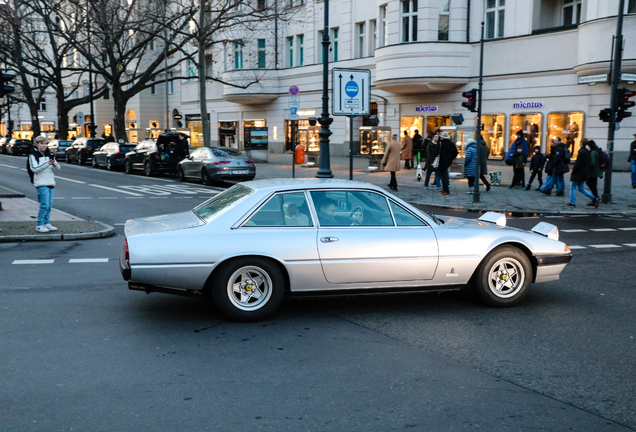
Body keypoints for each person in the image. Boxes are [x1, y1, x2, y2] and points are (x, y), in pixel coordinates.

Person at [29, 136, 61, 233]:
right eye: (42, 143)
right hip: (41, 183)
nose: (44, 145)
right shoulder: (33, 155)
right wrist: (47, 164)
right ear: (37, 144)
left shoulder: (50, 154)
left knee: (49, 205)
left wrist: (55, 164)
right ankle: (39, 224)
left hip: (50, 182)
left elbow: (58, 168)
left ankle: (47, 223)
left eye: (45, 143)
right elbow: (34, 168)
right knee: (44, 205)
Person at [568, 140, 597, 207]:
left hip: (578, 172)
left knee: (573, 186)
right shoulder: (587, 152)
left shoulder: (581, 152)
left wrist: (574, 171)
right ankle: (594, 198)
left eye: (580, 142)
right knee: (581, 188)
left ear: (581, 143)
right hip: (584, 172)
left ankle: (572, 202)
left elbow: (578, 163)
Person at [438, 131, 458, 196]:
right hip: (448, 162)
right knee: (444, 175)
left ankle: (446, 190)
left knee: (443, 176)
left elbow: (436, 152)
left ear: (442, 137)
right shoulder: (451, 144)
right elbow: (456, 152)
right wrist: (451, 158)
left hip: (441, 161)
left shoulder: (440, 144)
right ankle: (445, 189)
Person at [585, 139, 603, 205]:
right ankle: (595, 198)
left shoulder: (593, 152)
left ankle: (595, 198)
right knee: (593, 185)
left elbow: (592, 162)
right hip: (597, 170)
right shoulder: (597, 150)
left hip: (593, 171)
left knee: (589, 183)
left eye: (588, 146)